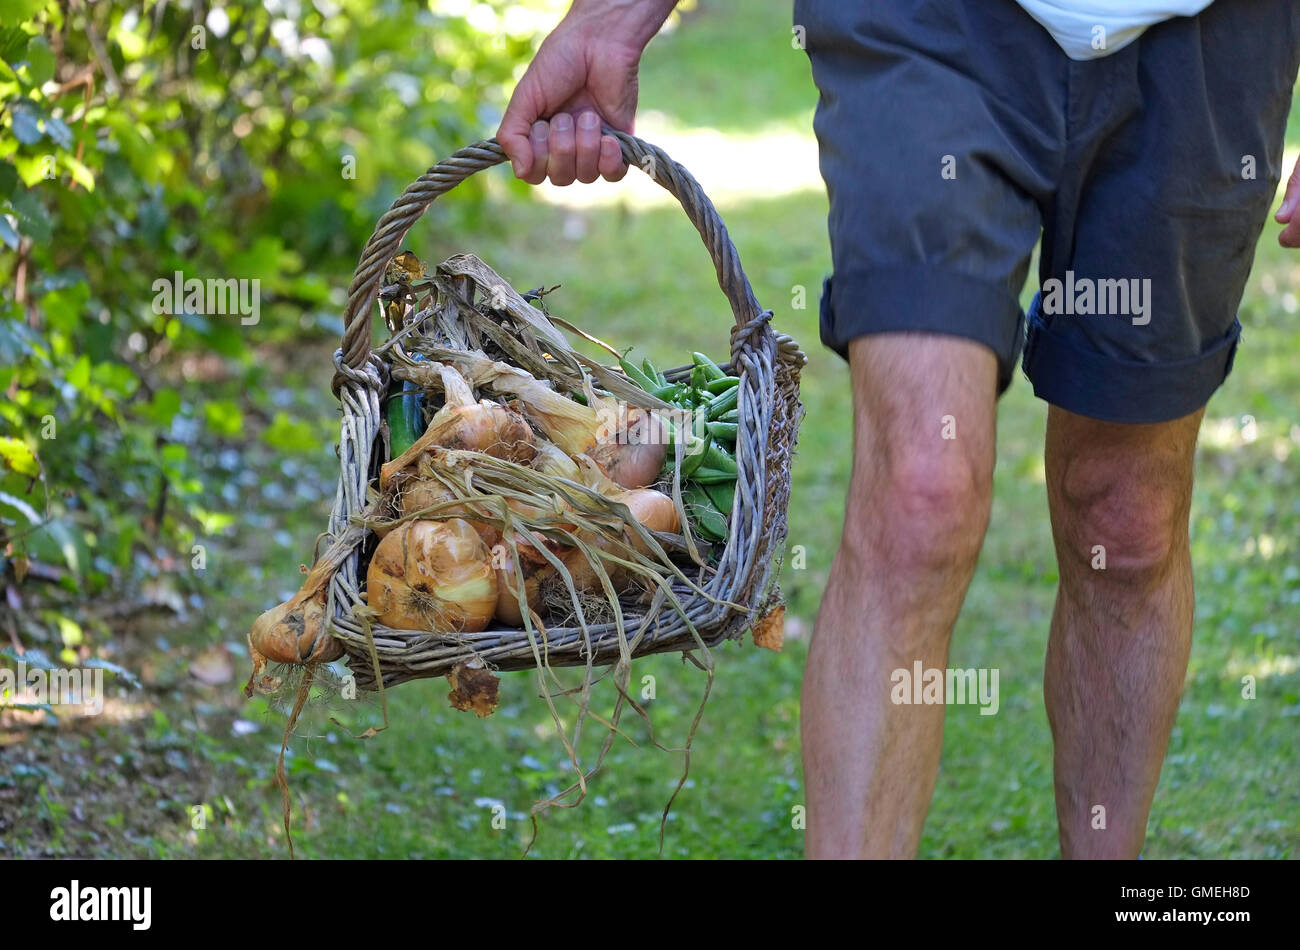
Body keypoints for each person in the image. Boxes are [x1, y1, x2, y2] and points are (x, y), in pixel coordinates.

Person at [497, 0, 1300, 859]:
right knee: (923, 492)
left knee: (1128, 516)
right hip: (931, 23)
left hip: (1212, 38)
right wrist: (615, 16)